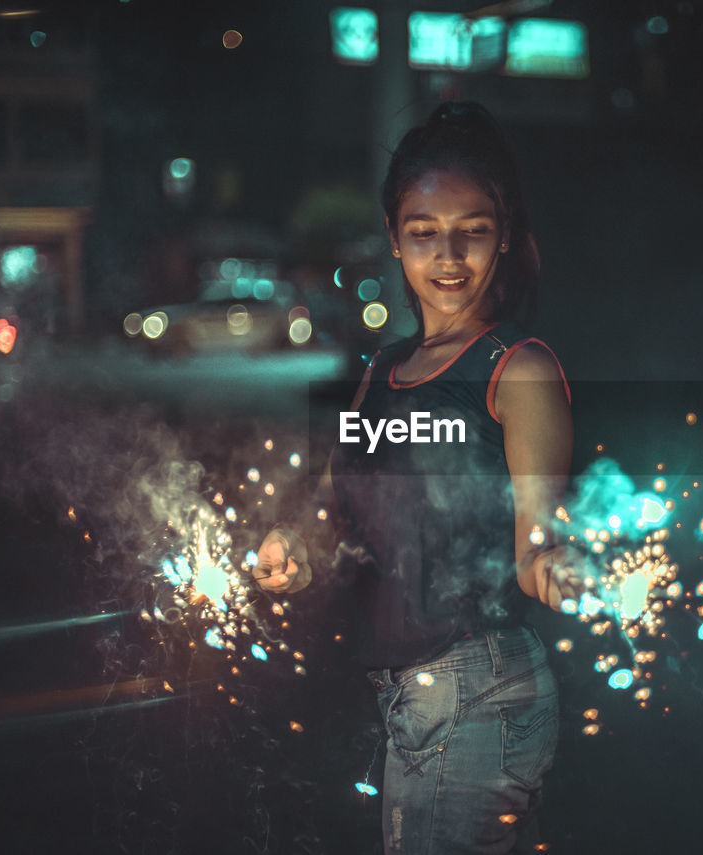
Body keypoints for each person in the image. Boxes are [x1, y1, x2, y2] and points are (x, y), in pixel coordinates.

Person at [253, 101, 586, 854]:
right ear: (395, 242)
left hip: (476, 695)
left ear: (503, 239)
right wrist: (298, 546)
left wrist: (558, 565)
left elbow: (537, 543)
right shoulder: (384, 368)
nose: (449, 255)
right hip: (420, 700)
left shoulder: (518, 370)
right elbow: (347, 511)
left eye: (473, 230)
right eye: (424, 231)